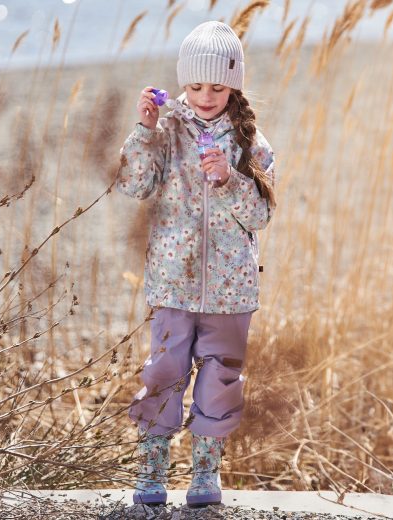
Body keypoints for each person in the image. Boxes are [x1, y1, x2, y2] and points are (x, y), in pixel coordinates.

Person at [117, 20, 276, 508]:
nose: (205, 96)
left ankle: (205, 475)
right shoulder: (167, 132)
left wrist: (229, 179)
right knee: (163, 375)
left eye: (218, 86)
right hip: (173, 283)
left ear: (235, 85)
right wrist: (143, 131)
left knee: (222, 379)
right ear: (182, 83)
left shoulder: (253, 144)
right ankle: (151, 474)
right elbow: (134, 186)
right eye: (194, 85)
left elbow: (262, 214)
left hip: (232, 292)